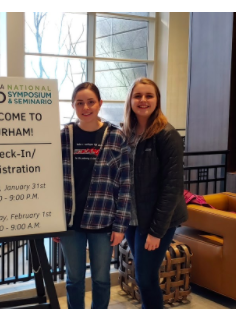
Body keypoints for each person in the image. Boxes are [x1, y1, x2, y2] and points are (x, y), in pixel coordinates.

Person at [54, 82, 131, 309]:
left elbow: (125, 183)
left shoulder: (116, 137)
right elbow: (50, 181)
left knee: (101, 280)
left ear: (100, 104)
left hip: (103, 221)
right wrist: (53, 222)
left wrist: (120, 226)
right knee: (74, 280)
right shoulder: (63, 137)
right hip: (70, 223)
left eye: (90, 102)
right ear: (73, 106)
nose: (85, 107)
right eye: (80, 103)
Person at [122, 78, 187, 309]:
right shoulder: (127, 133)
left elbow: (172, 188)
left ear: (157, 100)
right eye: (138, 95)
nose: (143, 100)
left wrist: (156, 232)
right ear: (130, 99)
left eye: (149, 95)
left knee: (146, 278)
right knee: (142, 275)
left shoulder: (167, 135)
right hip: (132, 217)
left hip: (156, 221)